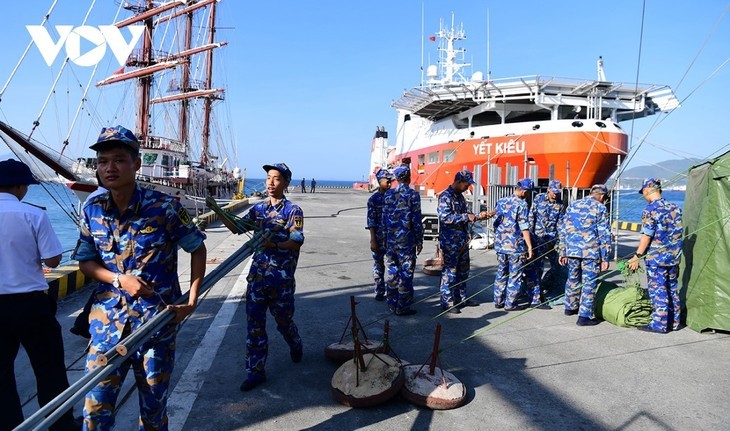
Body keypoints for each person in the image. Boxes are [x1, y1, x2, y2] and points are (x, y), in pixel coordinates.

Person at [74, 125, 207, 429]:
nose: (110, 168)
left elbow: (197, 249)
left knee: (153, 411)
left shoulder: (165, 207)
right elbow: (86, 263)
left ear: (136, 164)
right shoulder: (92, 209)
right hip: (107, 326)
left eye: (119, 159)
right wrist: (119, 280)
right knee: (94, 413)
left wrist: (192, 299)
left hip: (156, 326)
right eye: (103, 161)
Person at [0, 159, 77, 431]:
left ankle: (9, 424)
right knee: (49, 368)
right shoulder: (33, 215)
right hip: (31, 304)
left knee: (2, 374)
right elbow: (54, 260)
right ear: (20, 186)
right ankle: (60, 424)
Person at [238, 163, 304, 391]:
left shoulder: (293, 211)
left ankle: (295, 342)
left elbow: (296, 241)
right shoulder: (258, 210)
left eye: (276, 179)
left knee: (284, 322)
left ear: (285, 183)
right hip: (257, 278)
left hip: (280, 281)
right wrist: (218, 212)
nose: (270, 183)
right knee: (254, 326)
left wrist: (272, 243)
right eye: (268, 178)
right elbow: (237, 227)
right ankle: (255, 371)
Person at [628, 178, 683, 333]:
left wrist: (637, 255)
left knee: (658, 290)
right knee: (672, 288)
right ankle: (674, 322)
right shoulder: (675, 208)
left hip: (657, 258)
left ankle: (659, 324)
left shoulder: (650, 209)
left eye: (643, 192)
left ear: (647, 190)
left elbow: (647, 235)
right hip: (673, 257)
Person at [437, 169, 493, 313]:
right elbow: (445, 218)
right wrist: (466, 217)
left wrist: (477, 217)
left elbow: (465, 216)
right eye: (466, 184)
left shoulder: (461, 197)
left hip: (462, 241)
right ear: (459, 182)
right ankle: (447, 302)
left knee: (463, 272)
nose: (468, 187)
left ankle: (461, 298)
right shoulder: (445, 196)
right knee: (450, 273)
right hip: (450, 242)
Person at [558, 184, 612, 326]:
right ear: (601, 195)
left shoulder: (573, 205)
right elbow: (604, 234)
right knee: (589, 282)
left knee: (573, 278)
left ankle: (570, 307)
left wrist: (562, 251)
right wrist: (605, 257)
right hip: (591, 252)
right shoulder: (600, 208)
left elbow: (564, 230)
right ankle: (584, 316)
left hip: (572, 251)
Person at [382, 163, 423, 316]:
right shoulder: (413, 195)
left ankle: (391, 302)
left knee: (392, 271)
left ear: (396, 178)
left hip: (391, 240)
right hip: (407, 241)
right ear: (408, 177)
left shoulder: (388, 194)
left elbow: (383, 218)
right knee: (406, 273)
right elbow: (416, 220)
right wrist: (419, 240)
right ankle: (403, 306)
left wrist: (385, 238)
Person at [492, 178, 534, 311]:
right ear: (524, 191)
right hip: (515, 246)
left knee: (501, 272)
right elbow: (524, 226)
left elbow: (495, 222)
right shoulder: (522, 204)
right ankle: (510, 304)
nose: (528, 195)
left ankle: (498, 300)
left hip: (500, 245)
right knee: (515, 275)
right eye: (528, 192)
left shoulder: (502, 201)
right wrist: (529, 246)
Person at [527, 179, 565, 302]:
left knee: (558, 265)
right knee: (538, 267)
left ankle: (547, 285)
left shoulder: (560, 204)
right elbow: (531, 217)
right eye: (554, 192)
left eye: (557, 192)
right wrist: (530, 238)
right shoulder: (539, 199)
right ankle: (534, 293)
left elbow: (560, 224)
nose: (555, 194)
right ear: (548, 189)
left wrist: (560, 241)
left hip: (553, 240)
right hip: (539, 238)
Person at [366, 168, 393, 301]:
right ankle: (379, 290)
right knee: (378, 265)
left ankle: (393, 291)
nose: (389, 184)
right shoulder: (373, 199)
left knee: (392, 265)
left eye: (390, 182)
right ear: (379, 181)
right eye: (387, 181)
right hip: (378, 237)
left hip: (393, 239)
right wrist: (373, 240)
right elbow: (371, 221)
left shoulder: (394, 197)